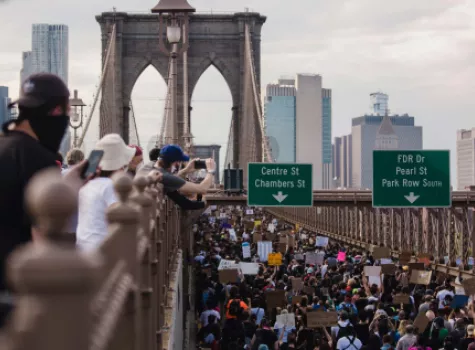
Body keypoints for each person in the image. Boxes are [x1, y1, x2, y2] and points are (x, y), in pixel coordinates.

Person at [0, 73, 89, 326]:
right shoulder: (39, 159)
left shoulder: (4, 146)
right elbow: (44, 233)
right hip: (14, 295)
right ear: (57, 111)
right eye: (67, 114)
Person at [76, 134, 136, 251]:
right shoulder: (110, 186)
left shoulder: (87, 185)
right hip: (103, 251)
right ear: (120, 166)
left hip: (82, 248)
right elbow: (121, 214)